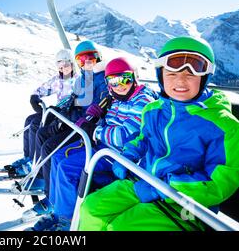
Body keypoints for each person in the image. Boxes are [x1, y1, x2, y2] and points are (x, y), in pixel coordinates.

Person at [78, 36, 239, 231]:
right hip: (143, 181)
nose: (181, 80)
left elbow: (219, 182)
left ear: (204, 78)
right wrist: (127, 155)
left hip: (186, 204)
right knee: (91, 209)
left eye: (191, 73)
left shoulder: (225, 128)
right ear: (161, 75)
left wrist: (166, 187)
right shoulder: (153, 110)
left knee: (120, 227)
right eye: (171, 73)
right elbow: (142, 138)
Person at [30, 57, 157, 231]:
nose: (120, 85)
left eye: (124, 78)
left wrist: (95, 131)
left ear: (134, 78)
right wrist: (97, 118)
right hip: (104, 146)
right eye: (113, 81)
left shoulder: (142, 101)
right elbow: (110, 122)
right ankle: (57, 209)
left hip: (119, 154)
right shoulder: (119, 98)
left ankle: (67, 221)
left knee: (67, 169)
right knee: (58, 157)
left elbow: (125, 137)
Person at [24, 40, 109, 228]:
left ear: (98, 58)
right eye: (82, 59)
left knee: (51, 148)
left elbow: (101, 102)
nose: (87, 62)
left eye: (91, 57)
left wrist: (88, 119)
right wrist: (62, 113)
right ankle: (50, 195)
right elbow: (73, 101)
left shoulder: (102, 78)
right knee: (44, 137)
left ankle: (53, 201)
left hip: (85, 129)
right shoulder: (83, 79)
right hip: (75, 122)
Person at [8, 49, 77, 175]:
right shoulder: (57, 80)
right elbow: (41, 89)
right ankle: (28, 158)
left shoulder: (78, 80)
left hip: (65, 113)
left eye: (66, 65)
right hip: (56, 111)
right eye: (60, 66)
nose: (63, 69)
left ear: (72, 64)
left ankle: (34, 164)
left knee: (36, 124)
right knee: (29, 119)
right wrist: (35, 98)